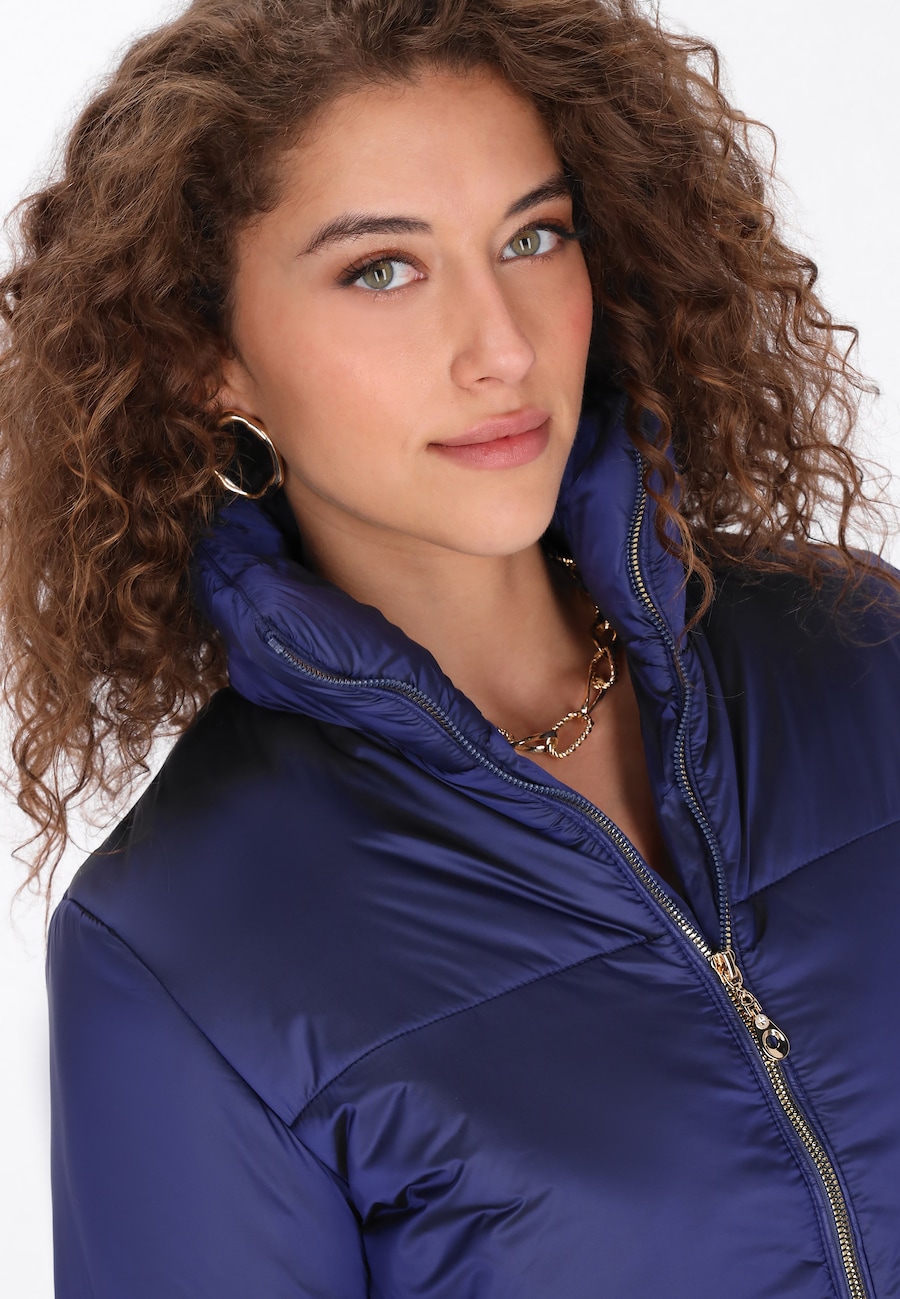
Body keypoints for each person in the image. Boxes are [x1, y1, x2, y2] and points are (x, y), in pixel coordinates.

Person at [1, 0, 898, 1294]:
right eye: (383, 269)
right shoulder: (183, 946)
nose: (504, 347)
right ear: (209, 359)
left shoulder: (858, 653)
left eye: (533, 237)